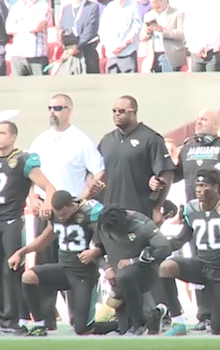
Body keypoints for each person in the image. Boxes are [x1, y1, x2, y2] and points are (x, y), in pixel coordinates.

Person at [28, 93, 104, 328]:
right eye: (50, 107)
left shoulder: (81, 140)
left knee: (74, 263)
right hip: (45, 210)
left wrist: (80, 202)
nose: (53, 112)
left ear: (70, 110)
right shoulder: (40, 140)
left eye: (58, 107)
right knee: (46, 262)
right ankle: (47, 318)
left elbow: (98, 172)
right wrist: (33, 198)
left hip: (72, 214)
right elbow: (30, 175)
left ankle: (79, 315)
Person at [158, 169, 220, 336]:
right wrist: (157, 249)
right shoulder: (192, 209)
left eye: (204, 186)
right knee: (166, 267)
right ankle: (178, 323)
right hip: (201, 265)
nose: (199, 190)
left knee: (218, 330)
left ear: (216, 187)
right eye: (197, 186)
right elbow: (182, 238)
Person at [7, 191, 117, 336]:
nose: (62, 217)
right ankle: (40, 324)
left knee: (82, 329)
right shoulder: (56, 215)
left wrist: (95, 252)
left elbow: (107, 239)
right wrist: (21, 252)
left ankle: (119, 324)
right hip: (64, 269)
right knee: (29, 276)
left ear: (72, 206)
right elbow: (45, 239)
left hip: (84, 275)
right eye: (59, 215)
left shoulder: (89, 212)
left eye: (64, 214)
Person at [0, 120, 55, 331]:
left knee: (11, 269)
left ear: (13, 137)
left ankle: (12, 319)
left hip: (12, 220)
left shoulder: (23, 159)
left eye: (3, 133)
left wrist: (47, 203)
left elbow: (48, 186)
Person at [93, 205, 172, 335]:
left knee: (126, 276)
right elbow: (95, 252)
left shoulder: (142, 224)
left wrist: (134, 261)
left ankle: (138, 325)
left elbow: (165, 248)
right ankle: (157, 314)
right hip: (117, 281)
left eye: (116, 231)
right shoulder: (103, 224)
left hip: (143, 273)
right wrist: (106, 268)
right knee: (123, 328)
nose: (113, 234)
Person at [97, 95, 175, 225]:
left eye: (122, 111)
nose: (117, 114)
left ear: (133, 113)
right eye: (114, 111)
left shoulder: (150, 138)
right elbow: (96, 172)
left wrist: (157, 208)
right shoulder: (107, 140)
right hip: (110, 214)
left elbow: (167, 174)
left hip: (139, 214)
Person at [6, 0, 52, 76]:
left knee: (41, 89)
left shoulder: (43, 6)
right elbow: (9, 28)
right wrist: (28, 26)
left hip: (37, 56)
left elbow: (38, 26)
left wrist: (18, 26)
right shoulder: (16, 8)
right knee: (19, 90)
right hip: (18, 56)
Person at [98, 0, 142, 73]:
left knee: (129, 85)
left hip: (128, 53)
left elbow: (136, 28)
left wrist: (124, 45)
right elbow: (102, 30)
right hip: (112, 54)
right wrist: (109, 46)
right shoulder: (109, 8)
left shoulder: (133, 6)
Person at [58, 0, 101, 74]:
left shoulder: (92, 7)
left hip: (87, 50)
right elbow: (64, 28)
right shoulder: (67, 9)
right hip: (71, 53)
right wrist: (69, 46)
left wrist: (77, 46)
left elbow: (91, 30)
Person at [140, 0, 187, 73]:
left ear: (165, 3)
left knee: (170, 84)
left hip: (170, 55)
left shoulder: (177, 14)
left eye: (158, 8)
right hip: (154, 56)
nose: (155, 10)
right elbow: (142, 37)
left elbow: (181, 34)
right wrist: (148, 32)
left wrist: (163, 30)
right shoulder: (149, 15)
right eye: (153, 8)